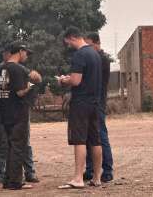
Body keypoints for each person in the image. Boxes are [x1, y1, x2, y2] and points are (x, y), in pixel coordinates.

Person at [57, 26, 103, 189]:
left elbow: (76, 81)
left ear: (72, 37)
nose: (68, 46)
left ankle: (78, 178)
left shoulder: (80, 55)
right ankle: (97, 177)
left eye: (67, 42)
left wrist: (63, 80)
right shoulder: (95, 54)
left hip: (81, 103)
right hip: (95, 103)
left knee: (79, 140)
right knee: (95, 141)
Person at [0, 44, 40, 184]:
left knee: (9, 144)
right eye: (26, 53)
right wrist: (30, 86)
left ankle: (7, 177)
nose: (27, 56)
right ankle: (16, 181)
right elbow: (20, 92)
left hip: (5, 111)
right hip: (18, 112)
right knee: (18, 145)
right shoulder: (18, 69)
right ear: (20, 52)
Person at [84, 32, 114, 182]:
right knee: (90, 136)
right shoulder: (95, 58)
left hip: (98, 103)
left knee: (100, 135)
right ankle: (90, 169)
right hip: (91, 102)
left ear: (97, 43)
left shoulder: (101, 59)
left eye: (89, 45)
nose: (87, 50)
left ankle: (107, 170)